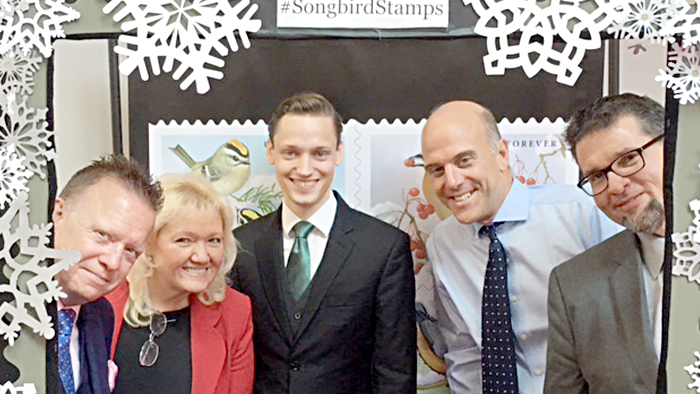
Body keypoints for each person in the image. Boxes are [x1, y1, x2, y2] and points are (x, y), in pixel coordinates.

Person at [421, 101, 621, 393]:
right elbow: (464, 352)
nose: (451, 181)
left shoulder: (582, 214)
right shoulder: (443, 243)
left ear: (501, 154)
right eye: (437, 169)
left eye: (464, 161)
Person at [230, 92, 416, 393]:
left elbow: (394, 373)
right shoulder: (240, 247)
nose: (305, 169)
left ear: (339, 153)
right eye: (291, 153)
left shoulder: (384, 249)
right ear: (271, 152)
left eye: (319, 153)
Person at [544, 93, 665, 394]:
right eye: (597, 176)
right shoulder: (574, 285)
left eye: (627, 159)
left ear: (674, 146)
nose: (615, 186)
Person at [106, 172, 254, 394]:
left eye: (214, 240)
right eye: (185, 240)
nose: (202, 256)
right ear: (148, 243)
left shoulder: (235, 313)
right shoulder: (100, 301)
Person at [53, 155, 161, 394]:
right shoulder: (11, 309)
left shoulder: (100, 315)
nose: (113, 262)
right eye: (102, 235)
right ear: (58, 214)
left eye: (131, 251)